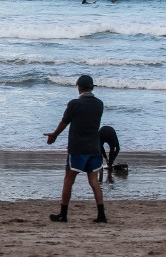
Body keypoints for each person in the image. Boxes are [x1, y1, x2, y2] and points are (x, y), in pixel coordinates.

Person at [44, 74, 107, 223]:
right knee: (94, 181)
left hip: (78, 148)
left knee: (69, 180)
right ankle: (101, 215)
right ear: (91, 87)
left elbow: (64, 122)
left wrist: (54, 135)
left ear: (78, 88)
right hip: (94, 148)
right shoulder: (99, 104)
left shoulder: (74, 104)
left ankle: (63, 214)